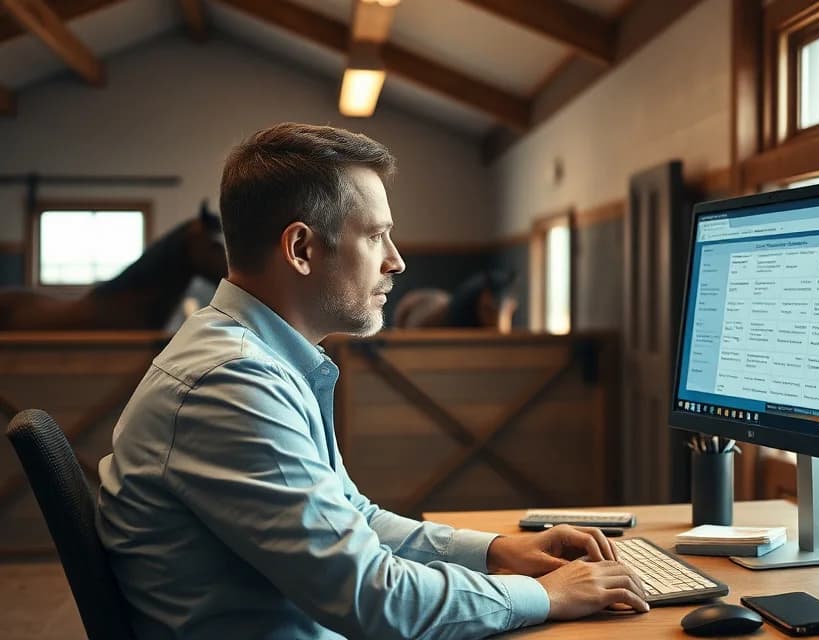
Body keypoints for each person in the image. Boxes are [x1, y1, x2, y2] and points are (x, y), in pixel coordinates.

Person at [97, 123, 648, 639]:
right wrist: (542, 594)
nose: (397, 262)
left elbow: (352, 519)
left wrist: (501, 553)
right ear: (301, 249)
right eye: (377, 236)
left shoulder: (256, 356)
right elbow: (371, 596)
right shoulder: (232, 382)